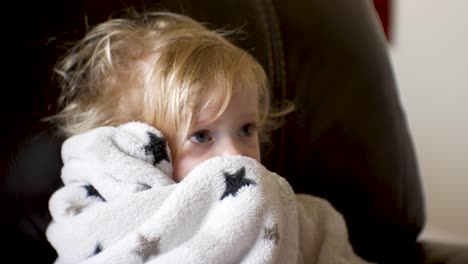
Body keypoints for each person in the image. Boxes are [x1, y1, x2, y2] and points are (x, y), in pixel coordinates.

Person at [45, 11, 371, 264]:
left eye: (246, 129)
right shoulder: (109, 222)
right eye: (201, 136)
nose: (236, 154)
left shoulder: (294, 218)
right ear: (141, 148)